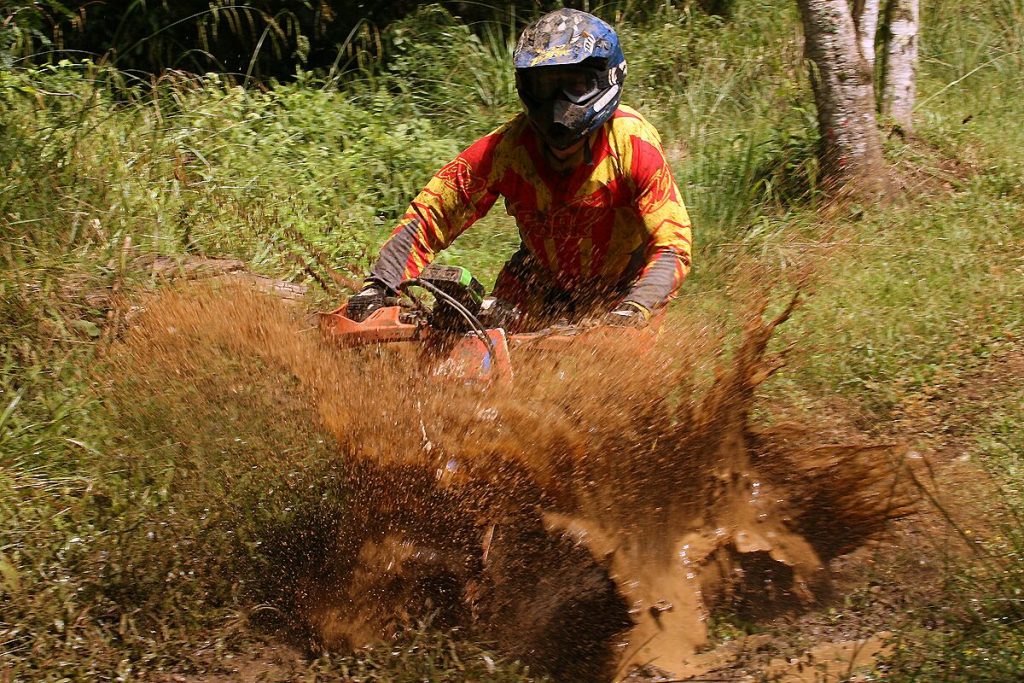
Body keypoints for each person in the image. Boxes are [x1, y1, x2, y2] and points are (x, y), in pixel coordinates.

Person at [346, 8, 692, 331]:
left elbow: (672, 245)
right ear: (525, 86)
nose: (558, 102)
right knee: (473, 347)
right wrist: (380, 285)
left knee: (627, 369)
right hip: (535, 284)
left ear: (606, 77)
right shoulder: (507, 148)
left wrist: (635, 308)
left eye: (573, 84)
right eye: (544, 85)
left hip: (626, 291)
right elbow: (434, 213)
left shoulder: (633, 143)